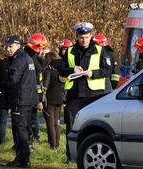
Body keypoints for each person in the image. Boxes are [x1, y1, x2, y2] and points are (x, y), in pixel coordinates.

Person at [58, 22, 113, 161]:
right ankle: (71, 157)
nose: (84, 40)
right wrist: (72, 70)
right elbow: (61, 69)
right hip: (74, 94)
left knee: (94, 126)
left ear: (91, 36)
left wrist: (92, 73)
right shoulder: (70, 50)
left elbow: (108, 70)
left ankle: (91, 156)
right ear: (76, 36)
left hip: (94, 94)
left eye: (87, 37)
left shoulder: (100, 50)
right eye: (81, 37)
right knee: (72, 127)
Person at [0, 35, 37, 168]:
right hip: (27, 99)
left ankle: (23, 159)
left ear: (18, 45)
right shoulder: (26, 57)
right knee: (23, 128)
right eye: (6, 47)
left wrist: (1, 86)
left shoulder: (19, 59)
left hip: (20, 99)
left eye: (10, 46)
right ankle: (21, 157)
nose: (8, 49)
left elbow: (12, 79)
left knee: (19, 129)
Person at [25, 33, 48, 144]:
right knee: (30, 120)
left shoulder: (33, 57)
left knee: (32, 119)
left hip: (33, 95)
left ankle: (33, 138)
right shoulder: (31, 59)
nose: (42, 50)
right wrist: (38, 99)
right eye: (41, 48)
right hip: (31, 96)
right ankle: (32, 139)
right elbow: (34, 81)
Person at [41, 51, 65, 150]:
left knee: (50, 123)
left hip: (49, 101)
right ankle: (57, 144)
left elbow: (44, 87)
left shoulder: (47, 71)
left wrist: (41, 98)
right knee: (56, 123)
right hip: (59, 100)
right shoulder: (60, 72)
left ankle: (53, 145)